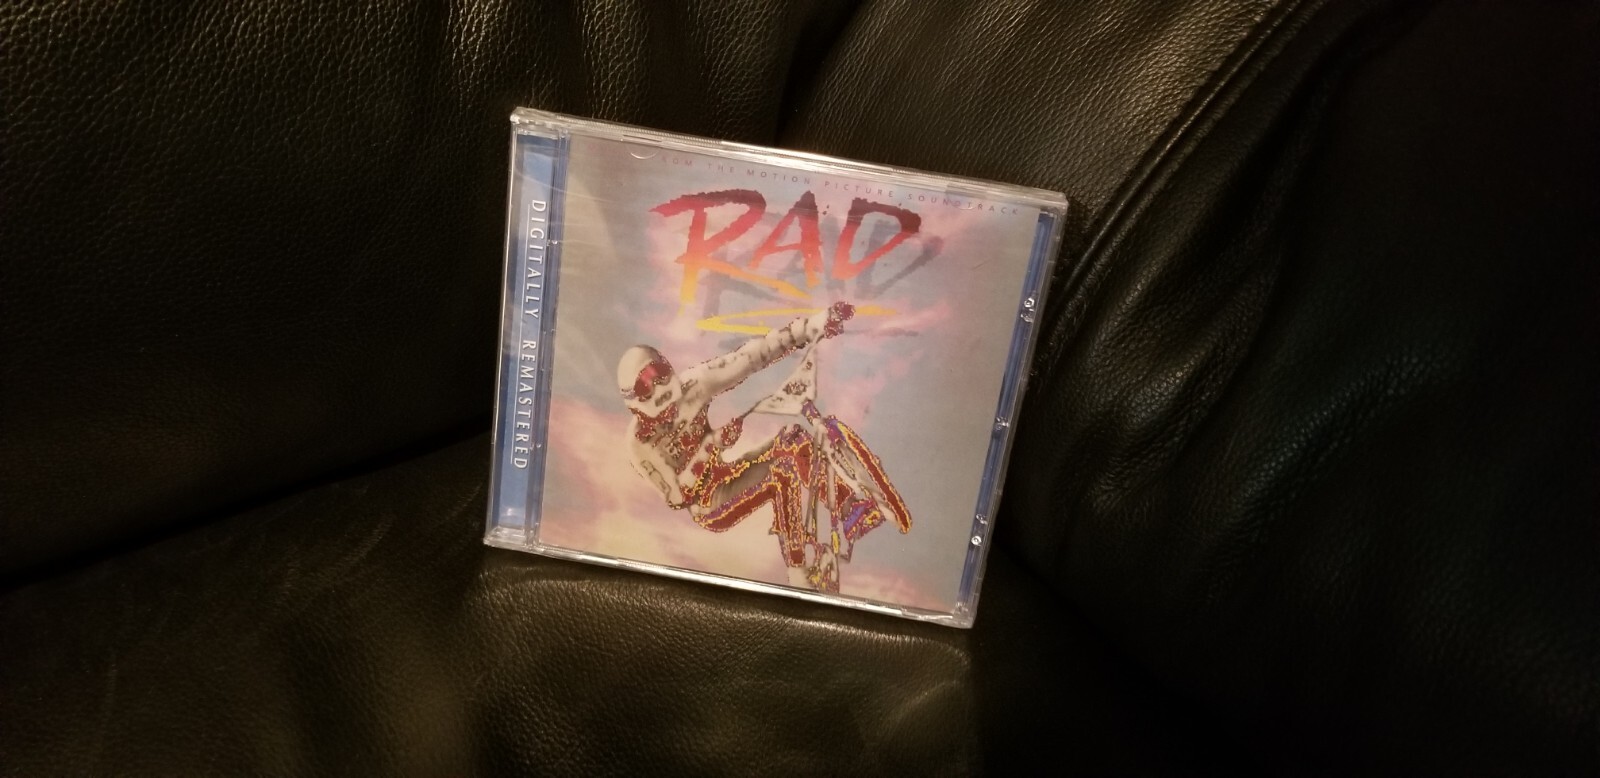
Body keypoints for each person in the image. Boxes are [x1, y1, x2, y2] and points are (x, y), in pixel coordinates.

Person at [617, 301, 905, 590]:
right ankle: (797, 571)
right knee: (782, 471)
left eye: (658, 374)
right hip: (708, 506)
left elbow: (752, 356)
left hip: (727, 475)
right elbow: (678, 497)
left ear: (668, 367)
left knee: (793, 439)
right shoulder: (639, 444)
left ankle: (850, 511)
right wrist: (713, 444)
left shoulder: (695, 384)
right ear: (633, 402)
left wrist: (811, 327)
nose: (657, 388)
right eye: (643, 386)